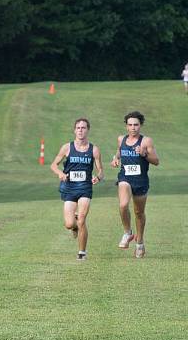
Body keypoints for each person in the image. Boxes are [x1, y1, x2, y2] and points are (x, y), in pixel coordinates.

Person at [50, 118, 104, 260]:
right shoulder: (67, 147)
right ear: (74, 130)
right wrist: (60, 173)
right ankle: (74, 228)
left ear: (88, 130)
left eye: (84, 127)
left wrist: (97, 178)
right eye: (78, 128)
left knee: (81, 220)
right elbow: (53, 165)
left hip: (85, 187)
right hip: (69, 187)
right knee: (69, 224)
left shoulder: (94, 149)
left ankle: (82, 253)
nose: (81, 130)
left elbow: (101, 171)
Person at [110, 111, 160, 258]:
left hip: (141, 180)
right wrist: (115, 159)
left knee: (139, 213)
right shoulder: (121, 139)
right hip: (125, 177)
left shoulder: (146, 141)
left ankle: (140, 243)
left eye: (136, 125)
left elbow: (156, 161)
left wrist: (144, 154)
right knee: (123, 205)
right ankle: (127, 232)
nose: (133, 128)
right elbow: (119, 152)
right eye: (130, 125)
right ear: (126, 126)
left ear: (140, 125)